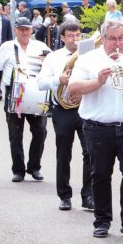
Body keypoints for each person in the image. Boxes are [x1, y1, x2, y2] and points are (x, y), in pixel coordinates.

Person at [67, 20, 123, 239]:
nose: (118, 44)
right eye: (112, 39)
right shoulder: (89, 59)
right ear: (103, 38)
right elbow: (73, 86)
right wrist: (97, 81)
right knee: (100, 174)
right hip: (98, 127)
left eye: (121, 39)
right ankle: (102, 220)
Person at [0, 16, 51, 182]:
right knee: (15, 134)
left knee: (40, 132)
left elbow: (54, 66)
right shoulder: (6, 47)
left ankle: (34, 167)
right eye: (21, 29)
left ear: (32, 30)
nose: (24, 32)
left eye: (27, 29)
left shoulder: (41, 46)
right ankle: (18, 170)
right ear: (15, 30)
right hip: (14, 95)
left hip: (36, 95)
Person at [38, 20, 93, 211]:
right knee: (63, 153)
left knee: (90, 152)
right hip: (63, 109)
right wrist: (58, 79)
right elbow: (41, 83)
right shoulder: (53, 58)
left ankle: (88, 195)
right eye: (70, 36)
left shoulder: (89, 55)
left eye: (77, 35)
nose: (74, 39)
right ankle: (64, 195)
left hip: (85, 107)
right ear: (62, 37)